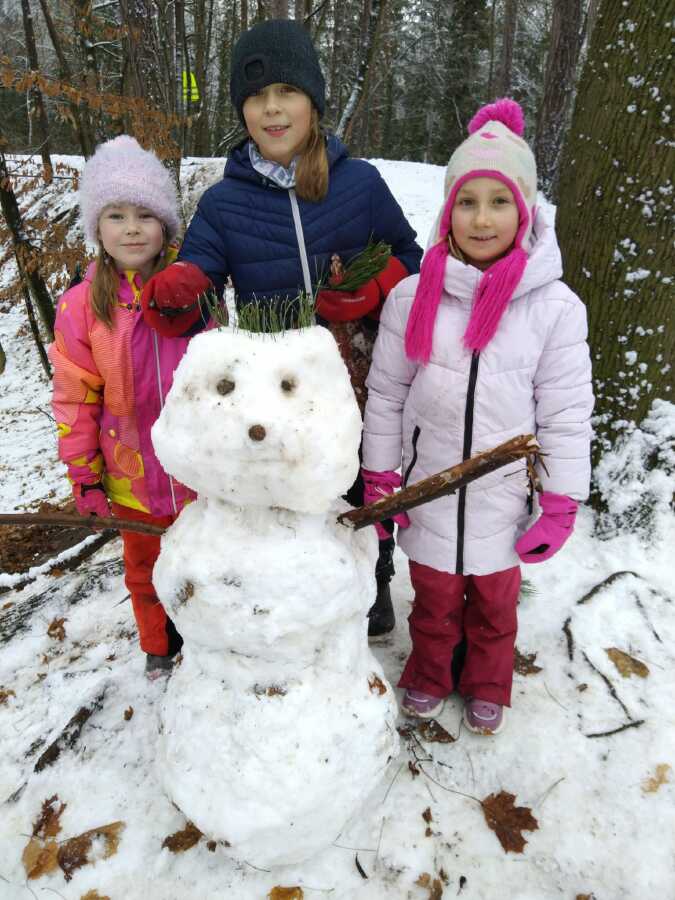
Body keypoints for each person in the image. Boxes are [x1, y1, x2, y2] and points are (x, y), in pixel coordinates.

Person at [140, 19, 423, 637]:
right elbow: (199, 282)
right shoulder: (224, 203)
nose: (271, 108)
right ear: (241, 111)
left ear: (313, 101)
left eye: (286, 91)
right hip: (277, 389)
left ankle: (373, 582)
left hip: (359, 376)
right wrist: (179, 290)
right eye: (255, 96)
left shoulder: (360, 183)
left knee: (361, 484)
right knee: (293, 486)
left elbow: (411, 256)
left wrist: (375, 285)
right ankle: (294, 599)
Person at [361, 99, 594, 734]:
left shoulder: (554, 308)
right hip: (429, 488)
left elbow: (567, 413)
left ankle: (488, 680)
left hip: (505, 498)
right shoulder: (413, 296)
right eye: (467, 201)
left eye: (499, 202)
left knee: (495, 606)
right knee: (433, 601)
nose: (482, 218)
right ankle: (430, 672)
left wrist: (561, 500)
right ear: (447, 212)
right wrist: (381, 480)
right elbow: (386, 394)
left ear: (525, 211)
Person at [49, 136, 198, 680]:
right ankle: (159, 647)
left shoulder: (194, 292)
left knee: (202, 565)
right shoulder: (81, 307)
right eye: (116, 215)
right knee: (144, 571)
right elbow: (74, 398)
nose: (131, 229)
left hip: (196, 477)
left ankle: (206, 647)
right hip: (130, 479)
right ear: (97, 227)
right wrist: (84, 477)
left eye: (145, 215)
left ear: (166, 226)